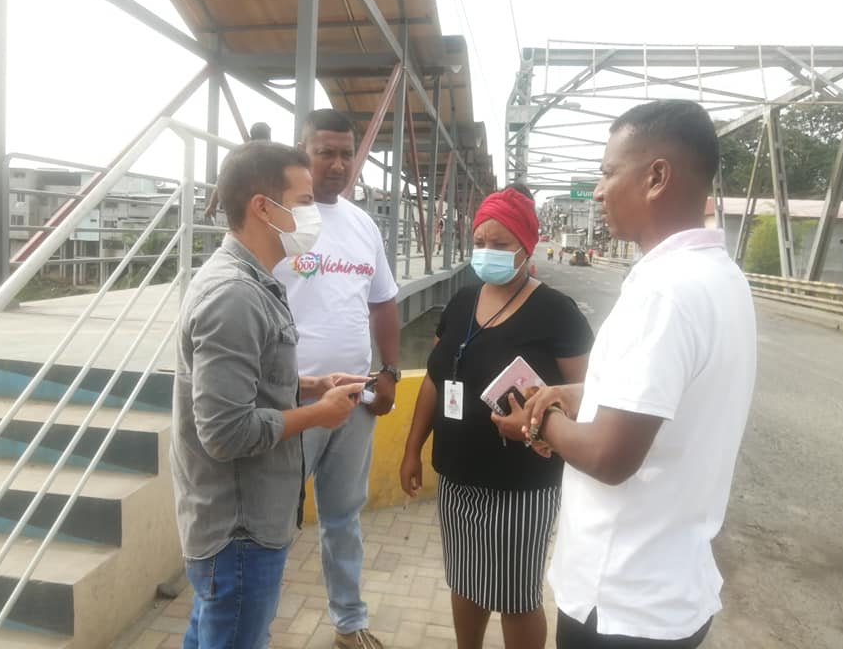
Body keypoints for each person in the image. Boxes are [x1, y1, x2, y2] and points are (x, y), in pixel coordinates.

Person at [495, 100, 757, 648]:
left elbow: (612, 457)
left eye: (609, 172)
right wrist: (578, 394)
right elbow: (671, 395)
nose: (597, 191)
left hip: (619, 600)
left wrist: (535, 423)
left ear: (656, 177)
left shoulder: (663, 292)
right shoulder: (720, 277)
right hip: (670, 590)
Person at [172, 141, 367, 649]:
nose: (313, 215)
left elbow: (248, 378)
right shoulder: (235, 295)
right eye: (303, 202)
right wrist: (317, 414)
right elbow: (225, 431)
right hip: (240, 530)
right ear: (263, 207)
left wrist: (309, 386)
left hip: (241, 523)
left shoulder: (253, 281)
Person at [400, 187, 594, 649]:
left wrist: (540, 423)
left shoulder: (557, 313)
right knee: (464, 581)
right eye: (480, 241)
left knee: (516, 596)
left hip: (521, 483)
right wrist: (412, 449)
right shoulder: (461, 302)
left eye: (500, 244)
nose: (487, 251)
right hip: (456, 476)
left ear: (527, 245)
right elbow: (435, 378)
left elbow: (591, 395)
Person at [273, 109, 400, 649]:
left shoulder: (362, 224)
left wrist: (389, 372)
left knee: (344, 517)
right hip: (294, 401)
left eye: (347, 153)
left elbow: (384, 302)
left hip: (354, 400)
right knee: (273, 521)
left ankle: (349, 622)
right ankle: (256, 628)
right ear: (302, 150)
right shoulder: (281, 222)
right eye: (325, 151)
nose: (339, 163)